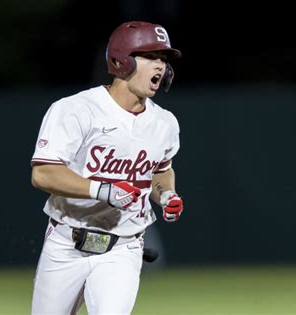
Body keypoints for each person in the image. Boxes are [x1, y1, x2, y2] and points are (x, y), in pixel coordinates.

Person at [30, 20, 184, 315]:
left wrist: (166, 194)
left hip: (123, 248)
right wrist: (103, 191)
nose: (159, 67)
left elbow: (160, 169)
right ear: (120, 60)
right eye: (150, 56)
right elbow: (43, 173)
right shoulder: (76, 109)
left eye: (163, 59)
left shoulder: (164, 123)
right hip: (66, 243)